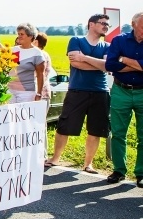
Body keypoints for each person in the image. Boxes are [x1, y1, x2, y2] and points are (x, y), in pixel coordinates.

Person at [45, 14, 111, 173]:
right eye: (103, 23)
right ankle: (55, 158)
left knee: (95, 130)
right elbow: (76, 63)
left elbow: (108, 66)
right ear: (91, 24)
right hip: (77, 90)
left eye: (107, 25)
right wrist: (97, 63)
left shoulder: (107, 46)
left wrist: (84, 58)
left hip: (100, 92)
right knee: (64, 126)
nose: (106, 27)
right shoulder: (76, 40)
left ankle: (88, 164)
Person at [105, 12, 143, 185]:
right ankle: (119, 170)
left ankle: (141, 173)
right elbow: (110, 65)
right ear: (133, 24)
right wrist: (138, 65)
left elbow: (119, 63)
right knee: (118, 133)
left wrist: (125, 59)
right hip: (121, 91)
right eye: (142, 26)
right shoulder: (119, 40)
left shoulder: (122, 48)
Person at [0, 23, 45, 104]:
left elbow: (40, 74)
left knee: (23, 116)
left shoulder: (37, 53)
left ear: (30, 36)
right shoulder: (14, 50)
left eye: (22, 34)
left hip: (26, 93)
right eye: (18, 34)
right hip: (10, 90)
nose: (19, 36)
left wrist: (39, 93)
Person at [34, 32, 57, 114]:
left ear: (36, 42)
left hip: (39, 93)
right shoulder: (46, 54)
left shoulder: (38, 54)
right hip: (45, 92)